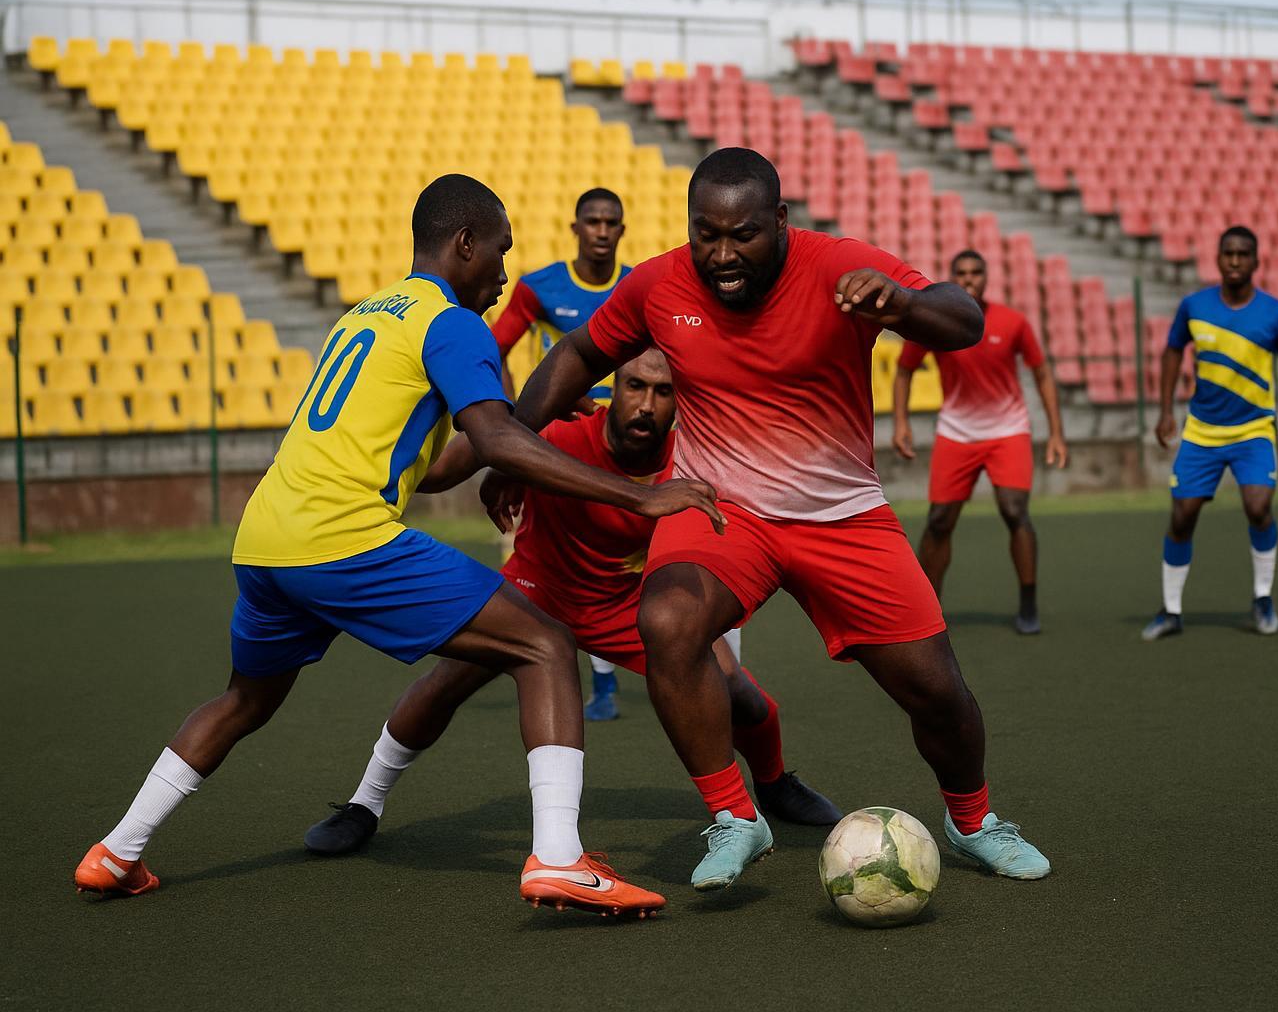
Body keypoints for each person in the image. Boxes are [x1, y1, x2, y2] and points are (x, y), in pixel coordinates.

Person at [72, 174, 724, 917]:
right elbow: (496, 441)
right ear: (465, 243)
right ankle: (559, 858)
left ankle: (116, 852)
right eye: (499, 252)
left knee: (244, 700)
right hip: (342, 536)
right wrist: (638, 494)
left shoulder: (366, 314)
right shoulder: (453, 324)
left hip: (265, 540)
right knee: (545, 644)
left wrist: (513, 425)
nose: (503, 274)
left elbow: (433, 462)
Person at [494, 146, 1052, 893]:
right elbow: (577, 353)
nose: (722, 255)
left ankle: (974, 822)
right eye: (706, 235)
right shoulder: (659, 284)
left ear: (780, 221)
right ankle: (735, 815)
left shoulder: (838, 265)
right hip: (724, 510)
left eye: (743, 235)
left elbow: (963, 318)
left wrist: (903, 304)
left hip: (842, 516)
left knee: (938, 692)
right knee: (667, 623)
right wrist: (516, 446)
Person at [303, 349, 840, 856]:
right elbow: (471, 457)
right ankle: (364, 804)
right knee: (447, 683)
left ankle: (774, 782)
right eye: (635, 386)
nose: (646, 404)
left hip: (629, 603)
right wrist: (504, 469)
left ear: (681, 401)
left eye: (662, 392)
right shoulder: (557, 435)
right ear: (614, 388)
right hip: (538, 594)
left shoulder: (694, 461)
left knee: (736, 689)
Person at [490, 186, 633, 720]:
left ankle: (707, 673)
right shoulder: (540, 286)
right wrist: (514, 419)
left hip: (625, 445)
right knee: (551, 559)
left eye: (611, 222)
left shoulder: (636, 286)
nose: (602, 231)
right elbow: (496, 348)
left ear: (622, 230)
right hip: (560, 442)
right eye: (593, 221)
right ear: (576, 228)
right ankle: (585, 678)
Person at [1142, 226, 1278, 641]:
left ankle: (1262, 598)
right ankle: (1171, 610)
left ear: (1256, 261)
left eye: (1243, 253)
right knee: (1182, 516)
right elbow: (1172, 351)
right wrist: (1165, 410)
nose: (1235, 260)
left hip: (1254, 429)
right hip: (1202, 430)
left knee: (1258, 507)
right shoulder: (1194, 306)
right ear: (1217, 259)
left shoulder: (1275, 313)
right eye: (1228, 253)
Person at [892, 249, 1067, 634]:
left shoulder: (1013, 321)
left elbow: (1042, 373)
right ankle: (928, 610)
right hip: (957, 432)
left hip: (1008, 430)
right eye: (962, 273)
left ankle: (1028, 605)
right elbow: (903, 371)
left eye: (975, 272)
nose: (969, 279)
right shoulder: (935, 321)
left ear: (986, 277)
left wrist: (1056, 433)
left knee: (1014, 511)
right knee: (939, 521)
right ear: (952, 278)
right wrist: (901, 422)